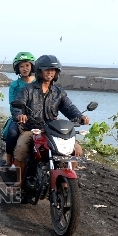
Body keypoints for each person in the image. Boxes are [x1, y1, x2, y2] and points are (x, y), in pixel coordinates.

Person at [12, 55, 90, 190]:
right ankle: (20, 181)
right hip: (32, 129)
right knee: (21, 149)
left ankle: (65, 178)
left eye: (53, 70)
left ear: (57, 73)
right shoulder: (27, 90)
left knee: (76, 149)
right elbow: (16, 107)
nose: (50, 72)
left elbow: (69, 107)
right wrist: (20, 115)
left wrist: (80, 116)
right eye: (47, 69)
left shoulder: (58, 92)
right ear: (39, 71)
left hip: (53, 130)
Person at [0, 52, 36, 170]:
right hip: (19, 117)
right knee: (13, 133)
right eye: (21, 66)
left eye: (27, 65)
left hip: (38, 117)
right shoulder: (15, 85)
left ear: (32, 66)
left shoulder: (39, 83)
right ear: (17, 68)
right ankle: (9, 160)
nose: (25, 69)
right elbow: (12, 103)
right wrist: (19, 117)